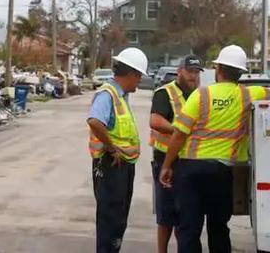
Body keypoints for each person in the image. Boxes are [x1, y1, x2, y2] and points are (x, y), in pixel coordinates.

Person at [160, 45, 270, 253]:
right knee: (218, 228)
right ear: (240, 73)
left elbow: (179, 134)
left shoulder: (200, 96)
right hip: (221, 173)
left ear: (218, 69)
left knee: (189, 229)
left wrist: (167, 166)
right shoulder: (249, 95)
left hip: (190, 172)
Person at [87, 47, 148, 253]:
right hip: (110, 166)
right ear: (130, 74)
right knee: (110, 221)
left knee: (118, 220)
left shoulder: (120, 95)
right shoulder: (108, 94)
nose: (140, 81)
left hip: (122, 166)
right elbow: (95, 121)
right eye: (139, 76)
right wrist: (112, 148)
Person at [149, 55, 203, 253]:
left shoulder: (199, 94)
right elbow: (154, 120)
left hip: (191, 161)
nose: (193, 76)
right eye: (190, 72)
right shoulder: (165, 93)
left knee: (188, 214)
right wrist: (178, 130)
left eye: (197, 72)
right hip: (167, 161)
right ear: (179, 71)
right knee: (166, 215)